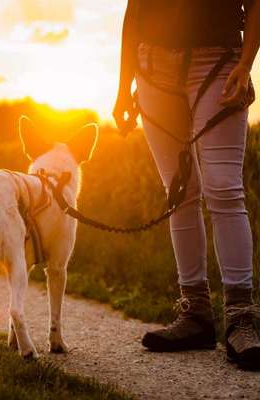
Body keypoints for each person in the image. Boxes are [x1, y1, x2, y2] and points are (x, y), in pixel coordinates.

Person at [113, 0, 260, 370]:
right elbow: (135, 10)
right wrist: (121, 87)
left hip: (217, 61)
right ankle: (196, 314)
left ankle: (241, 317)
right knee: (178, 193)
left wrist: (245, 64)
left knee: (224, 189)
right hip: (152, 69)